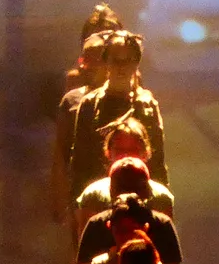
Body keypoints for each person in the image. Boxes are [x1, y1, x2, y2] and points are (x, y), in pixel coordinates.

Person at [69, 30, 167, 187]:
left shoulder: (147, 106)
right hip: (99, 199)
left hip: (141, 198)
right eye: (116, 60)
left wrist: (161, 203)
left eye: (127, 60)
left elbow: (158, 164)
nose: (121, 67)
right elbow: (79, 165)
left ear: (136, 63)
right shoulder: (89, 105)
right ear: (106, 61)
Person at [53, 33, 113, 223]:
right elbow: (60, 155)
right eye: (85, 60)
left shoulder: (130, 98)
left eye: (94, 60)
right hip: (82, 194)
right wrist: (58, 198)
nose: (84, 66)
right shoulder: (71, 100)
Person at [78, 126, 176, 216]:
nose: (126, 156)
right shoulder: (93, 196)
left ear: (145, 153)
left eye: (133, 150)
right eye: (119, 150)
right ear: (108, 153)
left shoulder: (161, 197)